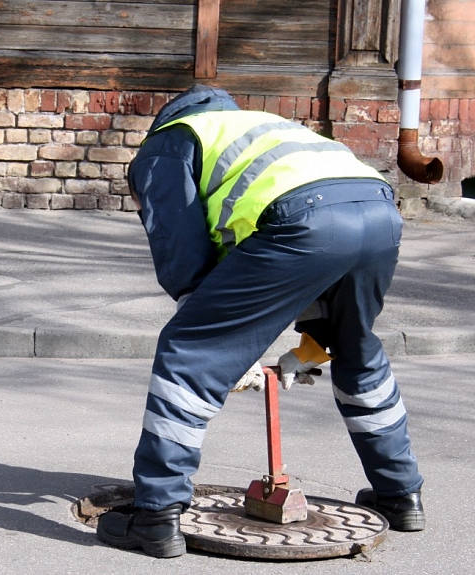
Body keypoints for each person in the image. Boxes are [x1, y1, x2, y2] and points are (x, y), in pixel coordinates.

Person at [96, 85, 425, 559]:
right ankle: (401, 495)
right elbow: (286, 253)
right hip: (378, 212)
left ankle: (155, 516)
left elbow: (181, 244)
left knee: (188, 352)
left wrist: (220, 345)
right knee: (357, 349)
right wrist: (313, 344)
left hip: (304, 217)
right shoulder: (264, 127)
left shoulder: (170, 141)